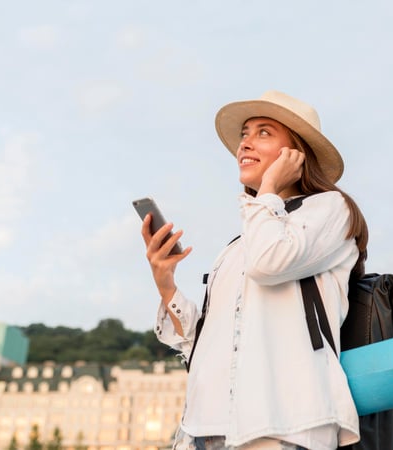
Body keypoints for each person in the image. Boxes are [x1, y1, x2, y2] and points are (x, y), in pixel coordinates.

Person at [139, 90, 369, 450]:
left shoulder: (330, 209)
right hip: (203, 429)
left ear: (297, 154)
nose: (244, 143)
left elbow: (269, 263)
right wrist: (166, 285)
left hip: (283, 426)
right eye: (245, 133)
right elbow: (201, 344)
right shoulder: (240, 243)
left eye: (264, 132)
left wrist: (269, 190)